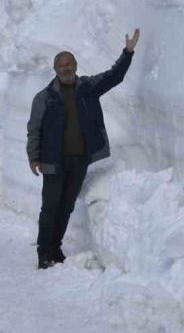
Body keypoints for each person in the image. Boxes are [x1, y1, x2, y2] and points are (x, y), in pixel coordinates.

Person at [26, 29, 140, 269]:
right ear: (55, 70)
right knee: (50, 208)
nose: (65, 69)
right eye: (61, 66)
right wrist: (34, 157)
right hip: (53, 162)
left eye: (69, 64)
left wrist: (127, 53)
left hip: (79, 161)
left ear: (75, 65)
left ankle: (55, 249)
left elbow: (113, 77)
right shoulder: (44, 97)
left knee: (66, 207)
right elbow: (34, 128)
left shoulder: (87, 87)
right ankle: (44, 252)